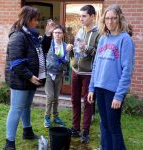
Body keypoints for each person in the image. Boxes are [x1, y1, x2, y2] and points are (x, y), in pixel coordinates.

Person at [4, 6, 55, 150]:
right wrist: (30, 76)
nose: (37, 22)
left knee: (26, 107)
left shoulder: (32, 34)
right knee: (16, 109)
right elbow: (16, 62)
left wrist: (48, 35)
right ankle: (9, 143)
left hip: (33, 77)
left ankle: (27, 132)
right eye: (35, 19)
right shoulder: (18, 36)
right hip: (21, 78)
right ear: (27, 19)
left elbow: (42, 50)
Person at [88, 4, 135, 150]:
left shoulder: (125, 39)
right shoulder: (103, 38)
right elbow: (95, 65)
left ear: (120, 19)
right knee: (104, 124)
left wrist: (119, 96)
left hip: (113, 91)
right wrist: (91, 88)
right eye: (107, 18)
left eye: (114, 18)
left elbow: (127, 70)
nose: (110, 21)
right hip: (99, 88)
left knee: (113, 126)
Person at [70, 5, 100, 144]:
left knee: (88, 102)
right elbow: (77, 49)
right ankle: (75, 128)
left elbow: (99, 53)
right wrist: (72, 48)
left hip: (89, 73)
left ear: (92, 16)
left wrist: (86, 48)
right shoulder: (80, 30)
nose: (81, 19)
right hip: (76, 70)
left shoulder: (99, 33)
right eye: (80, 16)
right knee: (74, 100)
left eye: (84, 16)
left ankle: (85, 131)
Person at [44, 25, 73, 128]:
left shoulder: (66, 46)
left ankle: (55, 116)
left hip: (59, 75)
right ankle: (47, 117)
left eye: (59, 32)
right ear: (53, 34)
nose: (57, 34)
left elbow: (67, 61)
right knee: (50, 96)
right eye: (55, 32)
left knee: (56, 98)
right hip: (49, 74)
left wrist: (65, 70)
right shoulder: (49, 44)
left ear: (63, 34)